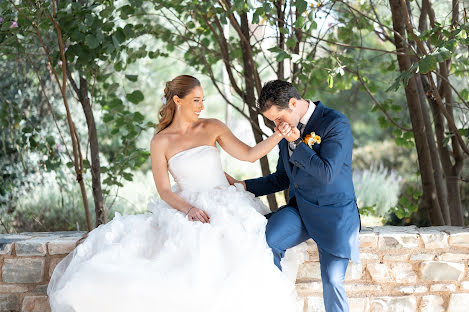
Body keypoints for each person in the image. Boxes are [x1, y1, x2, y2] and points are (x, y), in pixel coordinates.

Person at [47, 75, 302, 312]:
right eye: (196, 100)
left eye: (203, 100)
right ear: (178, 101)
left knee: (244, 254)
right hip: (188, 206)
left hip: (228, 201)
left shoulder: (213, 126)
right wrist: (189, 209)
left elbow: (249, 155)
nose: (201, 106)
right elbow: (164, 190)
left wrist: (279, 135)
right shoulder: (161, 141)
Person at [235, 80, 361, 312]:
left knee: (333, 281)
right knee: (265, 242)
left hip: (334, 214)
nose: (276, 126)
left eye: (278, 119)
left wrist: (295, 141)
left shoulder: (335, 122)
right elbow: (282, 178)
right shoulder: (287, 130)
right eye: (273, 121)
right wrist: (241, 186)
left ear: (293, 103)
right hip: (300, 210)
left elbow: (327, 173)